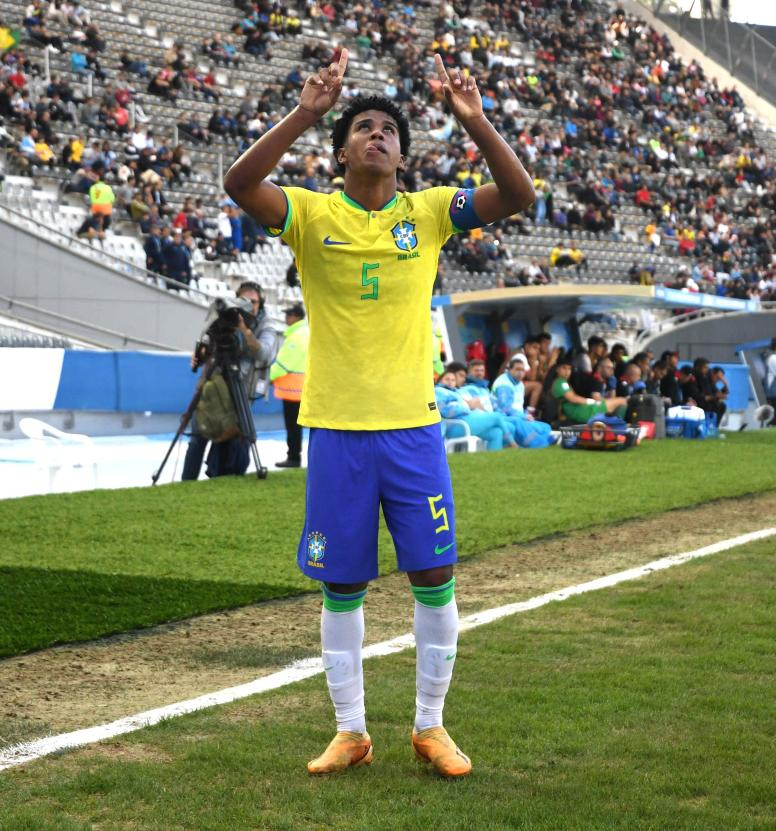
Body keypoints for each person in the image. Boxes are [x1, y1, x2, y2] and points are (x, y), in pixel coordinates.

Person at [222, 48, 534, 778]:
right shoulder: (308, 213)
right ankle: (351, 730)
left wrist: (480, 124)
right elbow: (239, 183)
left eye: (389, 129)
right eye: (362, 126)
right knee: (342, 583)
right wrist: (304, 112)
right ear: (341, 149)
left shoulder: (428, 214)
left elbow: (516, 196)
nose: (377, 134)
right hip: (335, 429)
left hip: (413, 428)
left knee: (435, 571)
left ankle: (430, 724)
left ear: (400, 154)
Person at [180, 281, 280, 480]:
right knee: (198, 437)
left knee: (236, 437)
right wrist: (201, 355)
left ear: (261, 303)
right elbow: (207, 342)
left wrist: (244, 330)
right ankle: (186, 481)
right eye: (244, 300)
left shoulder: (266, 324)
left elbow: (264, 353)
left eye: (254, 301)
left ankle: (225, 474)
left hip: (241, 388)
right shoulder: (223, 317)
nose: (250, 305)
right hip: (214, 384)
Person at [270, 303, 308, 468]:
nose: (286, 318)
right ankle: (295, 456)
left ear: (297, 317)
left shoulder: (296, 337)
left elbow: (283, 364)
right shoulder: (305, 333)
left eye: (289, 315)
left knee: (292, 426)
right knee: (297, 426)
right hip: (301, 388)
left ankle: (293, 457)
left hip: (292, 390)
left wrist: (268, 376)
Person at [490, 357, 556, 447]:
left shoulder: (519, 383)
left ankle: (543, 440)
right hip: (502, 416)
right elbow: (505, 409)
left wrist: (526, 414)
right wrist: (523, 416)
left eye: (522, 370)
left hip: (517, 415)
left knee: (545, 426)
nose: (520, 373)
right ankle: (540, 444)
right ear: (509, 370)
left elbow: (518, 405)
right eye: (517, 369)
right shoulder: (504, 384)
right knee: (521, 423)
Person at [763, 336, 776, 425]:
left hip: (774, 389)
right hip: (774, 390)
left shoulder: (773, 357)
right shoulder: (773, 358)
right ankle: (771, 426)